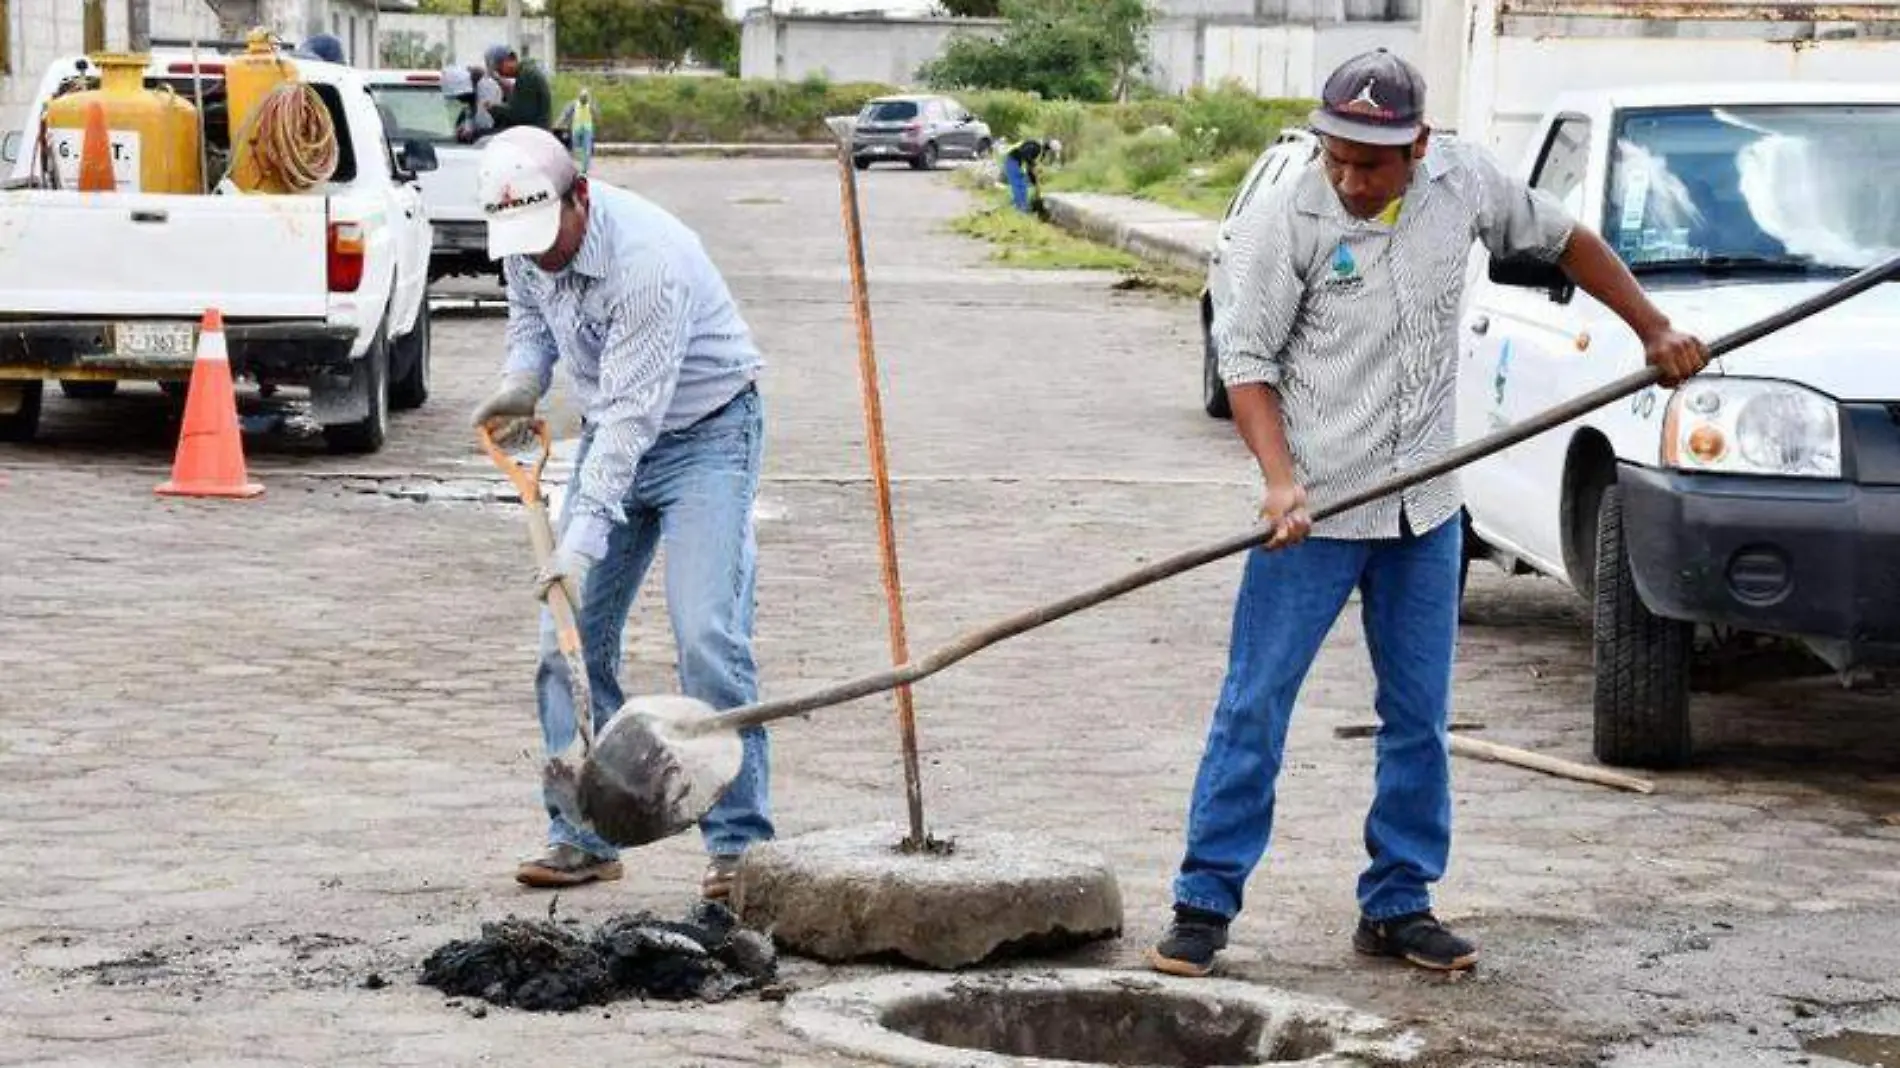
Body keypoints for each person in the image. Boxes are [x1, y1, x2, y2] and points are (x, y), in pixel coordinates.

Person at [1146, 48, 1710, 978]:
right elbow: (1247, 363)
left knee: (1419, 718)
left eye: (1371, 163)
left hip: (1424, 511)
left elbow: (1566, 238)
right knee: (1255, 706)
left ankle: (1398, 902)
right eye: (1338, 156)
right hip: (1318, 515)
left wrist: (1652, 328)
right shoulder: (1289, 216)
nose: (1350, 179)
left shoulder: (1464, 180)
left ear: (1417, 145)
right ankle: (1204, 901)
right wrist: (1281, 482)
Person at [469, 126, 776, 898]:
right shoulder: (524, 237)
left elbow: (636, 420)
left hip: (707, 436)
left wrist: (578, 543)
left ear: (582, 196)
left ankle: (739, 848)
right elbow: (532, 322)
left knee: (707, 639)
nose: (538, 257)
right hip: (615, 431)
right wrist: (521, 381)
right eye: (523, 246)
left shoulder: (647, 263)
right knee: (562, 643)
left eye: (550, 239)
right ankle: (583, 835)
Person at [483, 43, 553, 134]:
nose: (499, 73)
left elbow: (520, 115)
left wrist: (494, 108)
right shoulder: (524, 73)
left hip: (536, 134)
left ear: (509, 60)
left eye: (499, 69)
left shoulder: (527, 76)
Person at [1001, 138, 1045, 216]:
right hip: (1011, 162)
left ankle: (1020, 205)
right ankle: (1021, 209)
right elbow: (1026, 156)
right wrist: (1033, 165)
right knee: (1018, 185)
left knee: (1022, 186)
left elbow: (1029, 168)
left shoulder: (1033, 148)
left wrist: (1034, 181)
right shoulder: (1035, 148)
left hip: (1015, 163)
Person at [556, 87, 596, 174]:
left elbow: (596, 114)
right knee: (574, 149)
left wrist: (592, 104)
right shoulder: (573, 104)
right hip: (576, 129)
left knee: (587, 149)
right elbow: (565, 115)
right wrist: (558, 124)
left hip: (587, 129)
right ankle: (572, 167)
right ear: (579, 96)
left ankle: (584, 169)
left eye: (586, 97)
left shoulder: (590, 105)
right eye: (583, 97)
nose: (584, 99)